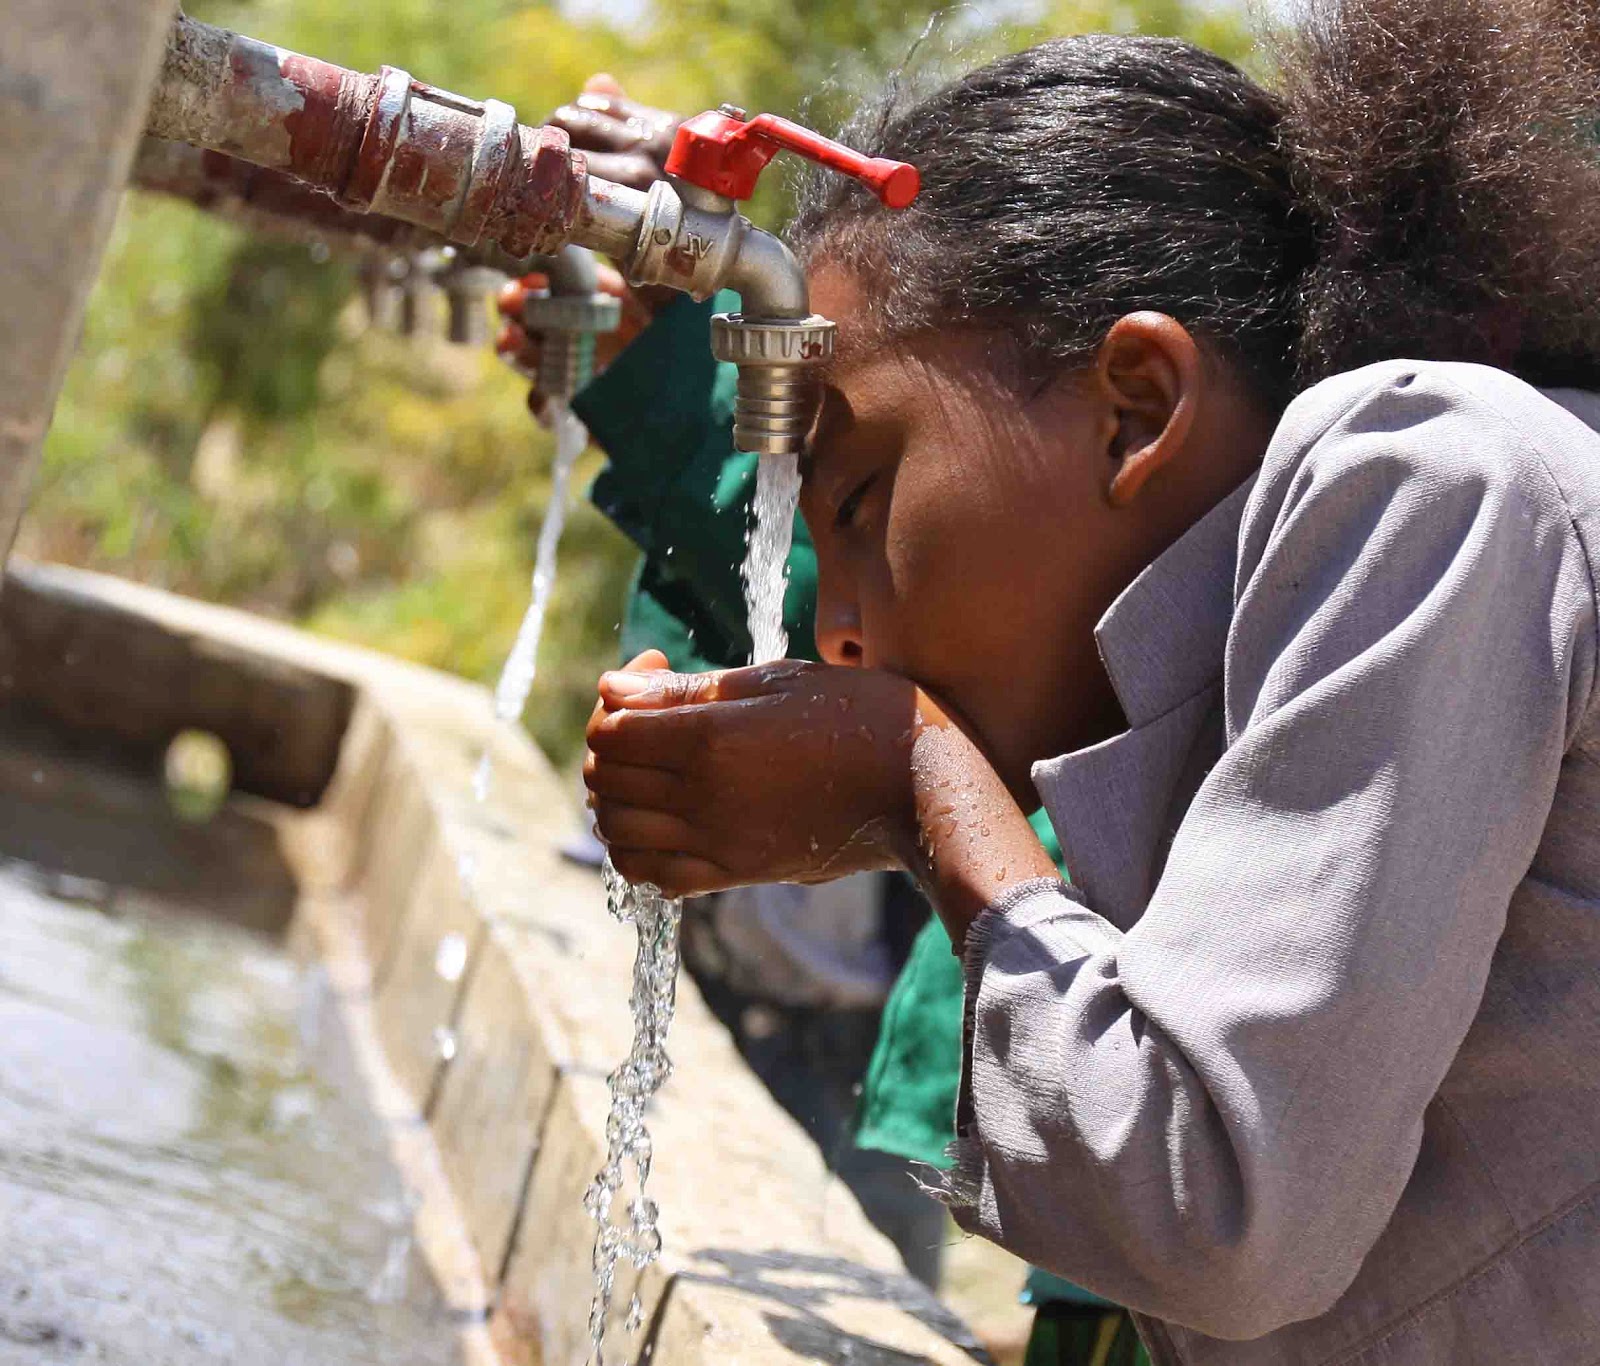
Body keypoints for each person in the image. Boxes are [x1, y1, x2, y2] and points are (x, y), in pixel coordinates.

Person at [582, 0, 1600, 1360]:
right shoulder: (1244, 658)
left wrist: (913, 777)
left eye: (864, 492)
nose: (841, 636)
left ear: (1133, 406)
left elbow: (1216, 1218)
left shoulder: (1433, 470)